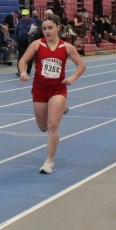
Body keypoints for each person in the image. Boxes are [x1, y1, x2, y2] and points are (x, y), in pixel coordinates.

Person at [18, 15, 86, 174]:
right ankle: (62, 107)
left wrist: (73, 78)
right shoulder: (37, 44)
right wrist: (23, 72)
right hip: (40, 90)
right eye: (44, 29)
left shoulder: (67, 47)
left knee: (53, 125)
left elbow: (81, 65)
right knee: (43, 127)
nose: (47, 31)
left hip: (58, 90)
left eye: (50, 28)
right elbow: (23, 60)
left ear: (58, 28)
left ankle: (49, 161)